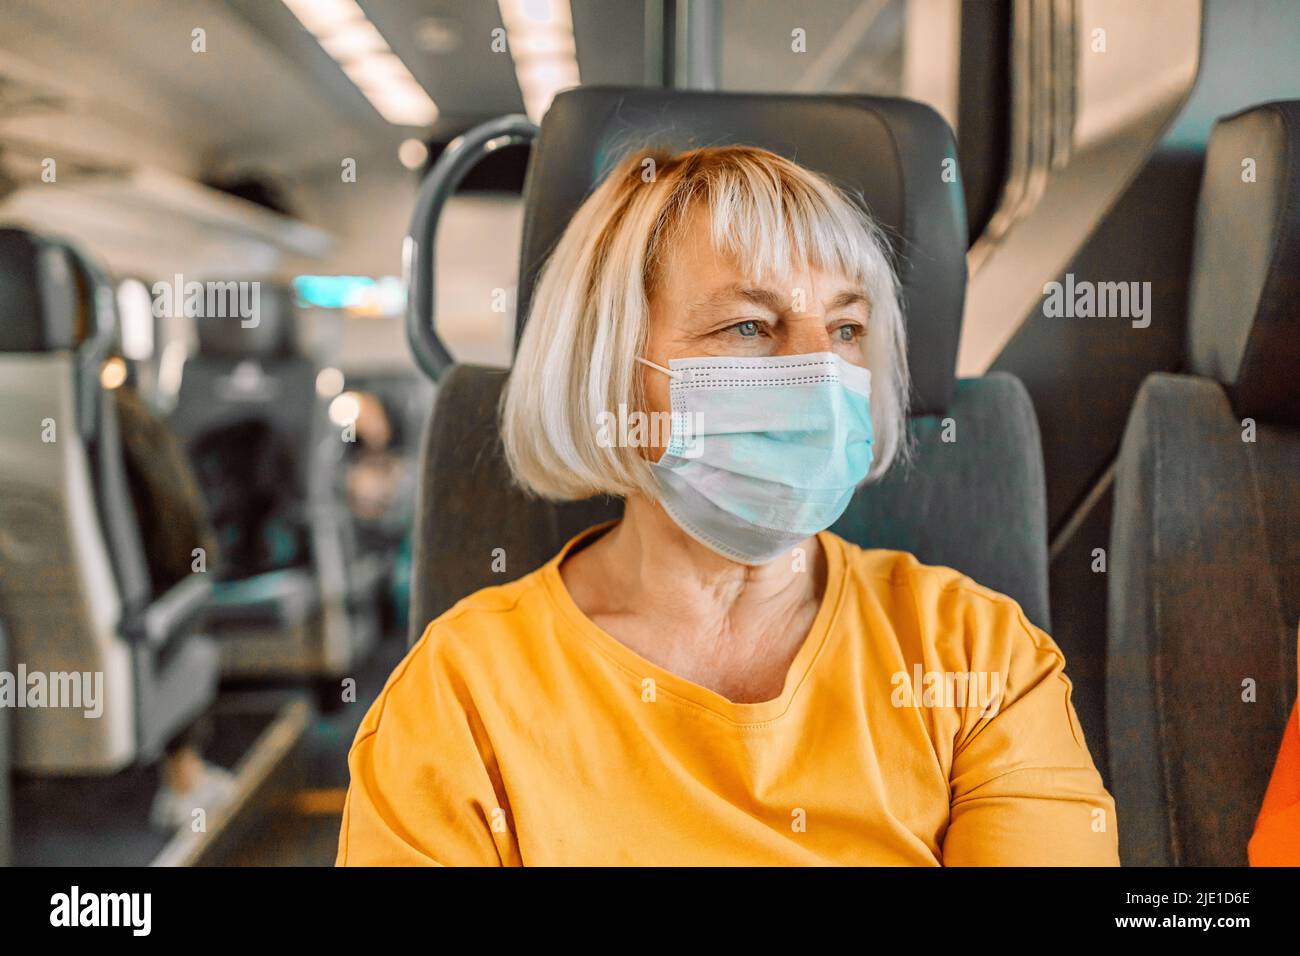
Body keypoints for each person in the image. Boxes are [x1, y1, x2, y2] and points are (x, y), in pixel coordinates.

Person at [336, 145, 1118, 866]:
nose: (821, 372)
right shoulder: (463, 694)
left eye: (846, 327)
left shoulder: (975, 656)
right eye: (750, 325)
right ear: (611, 370)